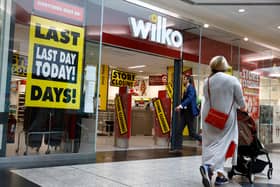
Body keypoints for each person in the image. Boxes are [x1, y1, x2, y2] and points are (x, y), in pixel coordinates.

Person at [199, 56, 246, 187]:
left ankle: (217, 174)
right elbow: (241, 104)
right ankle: (210, 168)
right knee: (227, 144)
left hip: (209, 117)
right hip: (226, 118)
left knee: (210, 144)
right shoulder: (232, 80)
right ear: (225, 67)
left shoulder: (207, 81)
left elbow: (206, 98)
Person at [172, 75, 202, 152]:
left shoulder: (191, 88)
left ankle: (204, 140)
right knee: (179, 130)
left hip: (190, 113)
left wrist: (181, 106)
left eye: (184, 79)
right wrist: (181, 107)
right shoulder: (186, 88)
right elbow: (186, 100)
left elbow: (189, 98)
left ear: (188, 80)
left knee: (191, 133)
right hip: (185, 113)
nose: (183, 80)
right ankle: (178, 148)